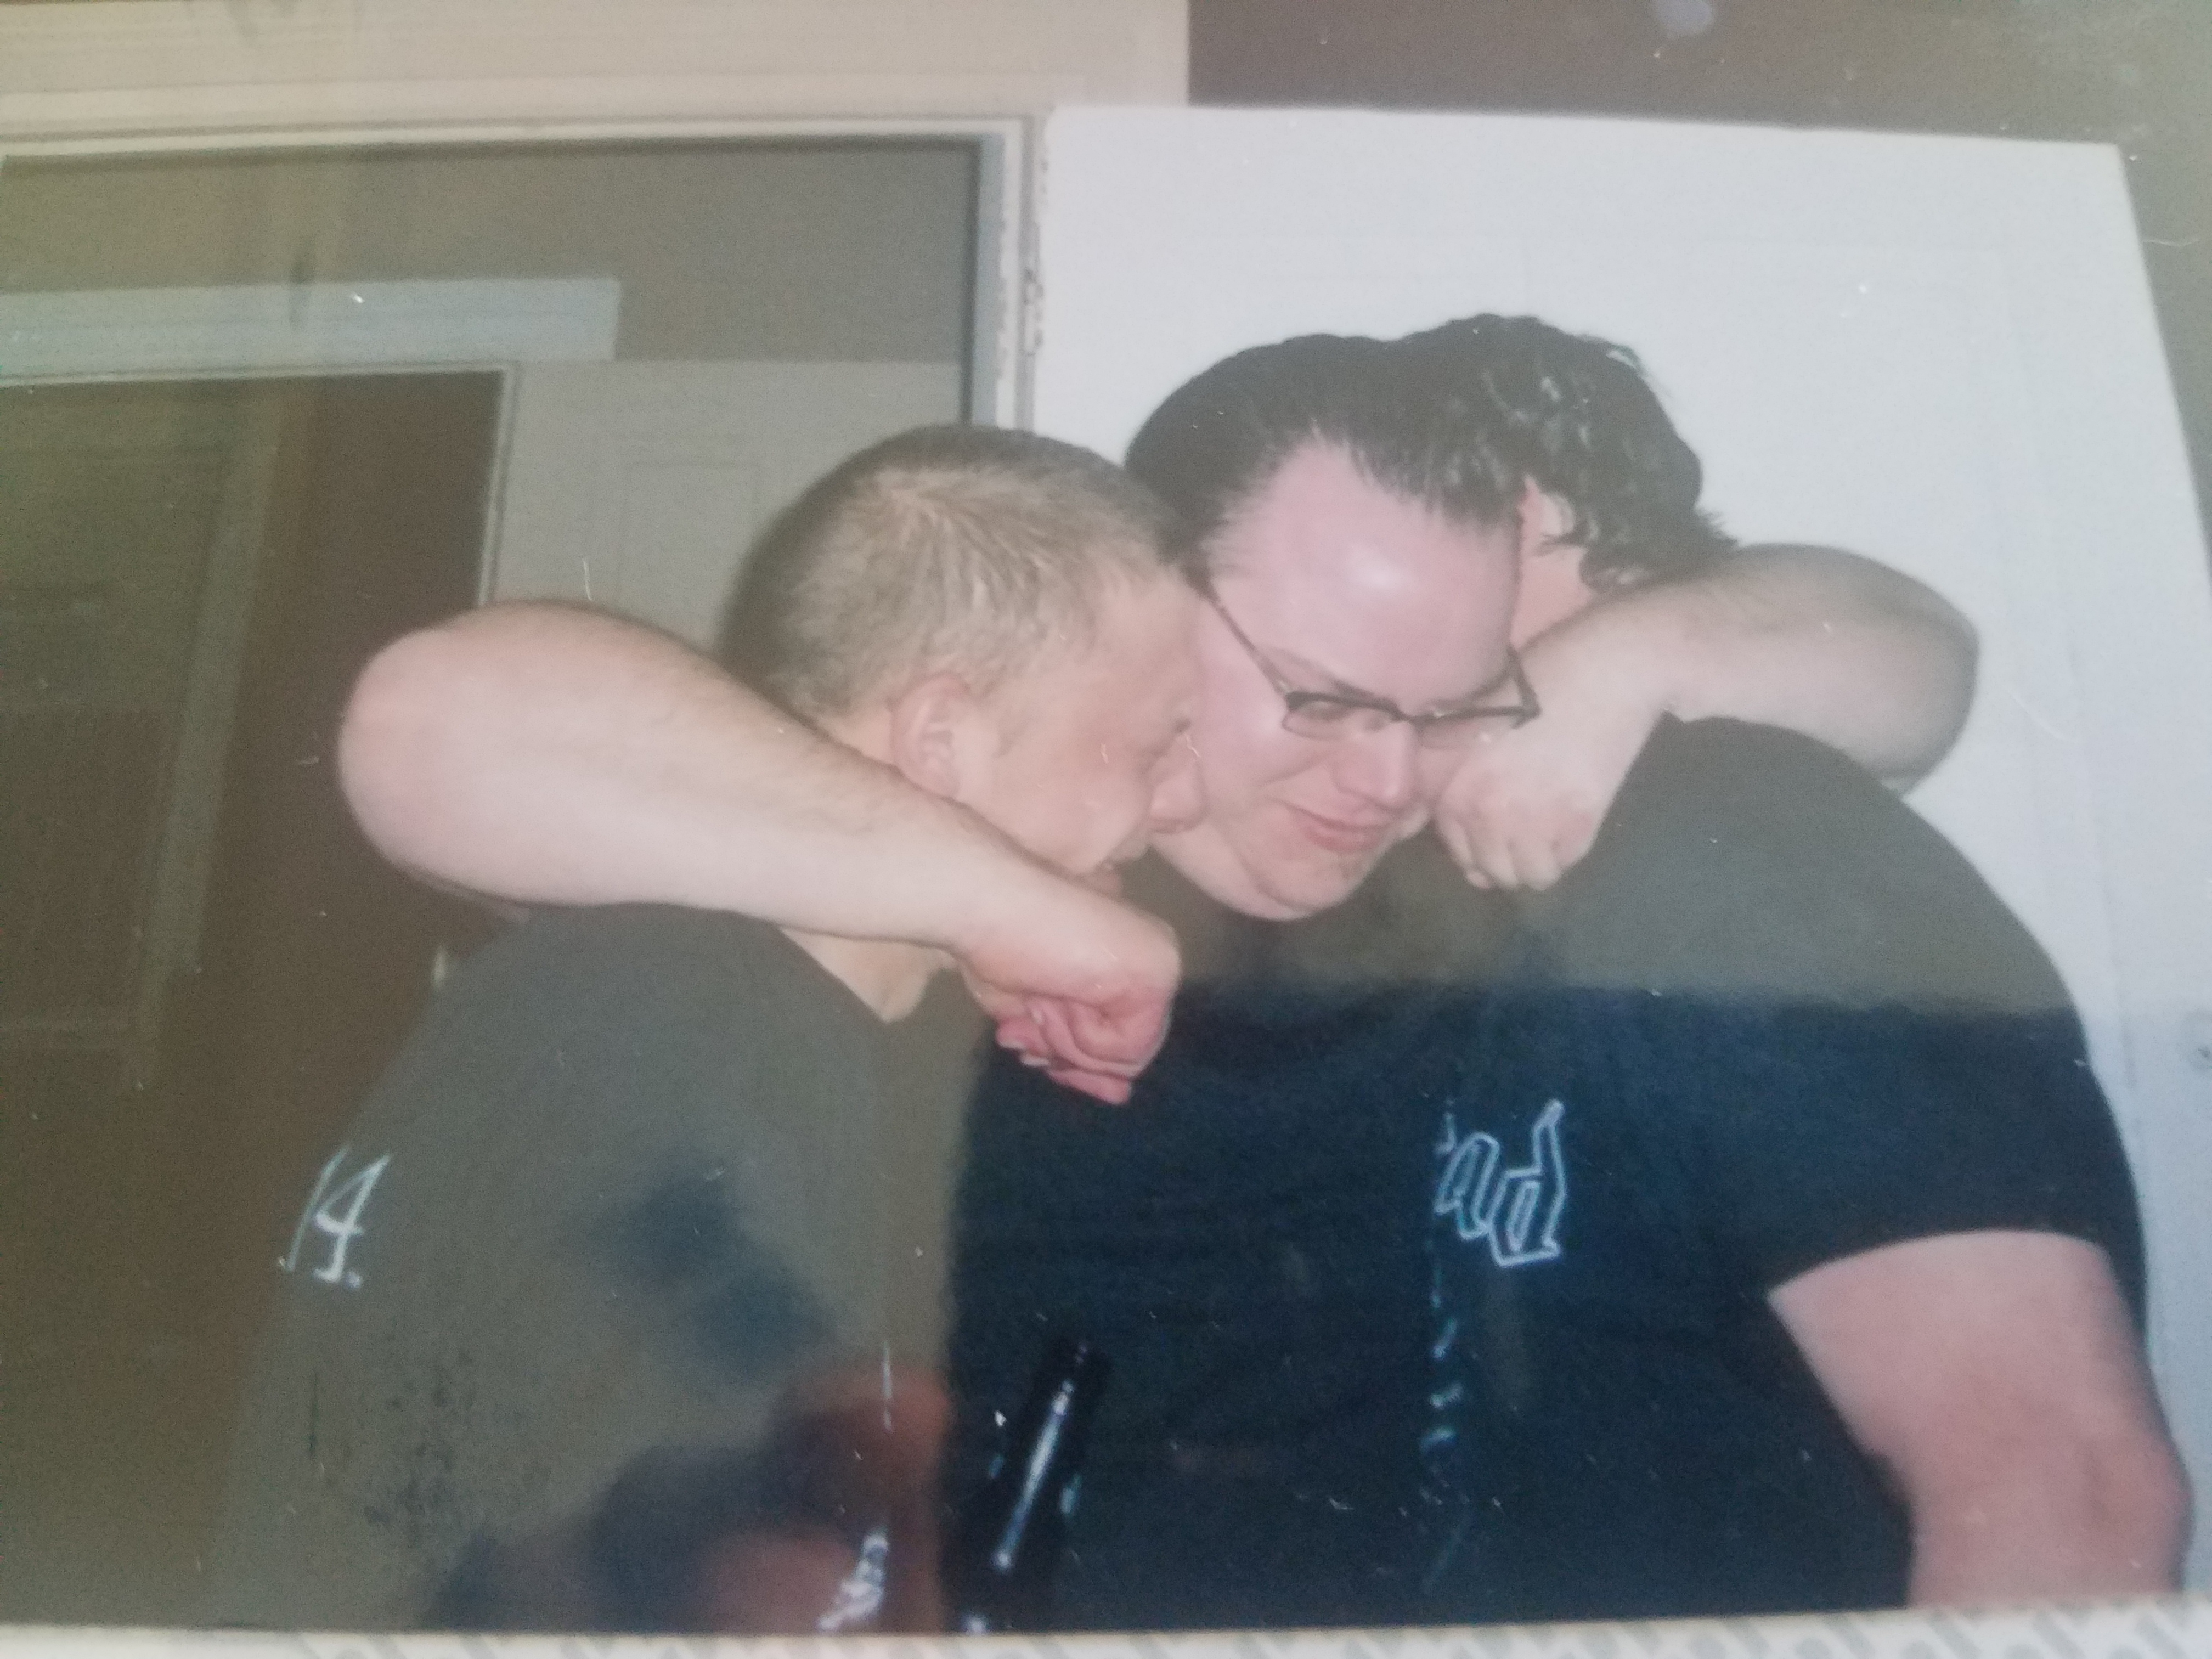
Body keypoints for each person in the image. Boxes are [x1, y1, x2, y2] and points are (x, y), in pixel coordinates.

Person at [326, 317, 2181, 1623]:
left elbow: (1907, 662)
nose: (1382, 778)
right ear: (1152, 601)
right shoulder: (963, 856)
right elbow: (426, 727)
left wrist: (1622, 662)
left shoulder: (1499, 882)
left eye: (1447, 705)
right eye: (1318, 695)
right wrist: (1020, 903)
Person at [203, 424, 1207, 1631]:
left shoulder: (679, 996)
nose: (1179, 798)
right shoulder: (704, 1036)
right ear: (942, 740)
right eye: (1154, 741)